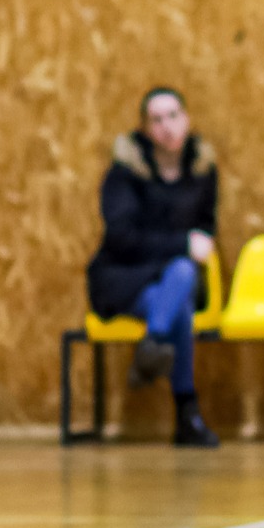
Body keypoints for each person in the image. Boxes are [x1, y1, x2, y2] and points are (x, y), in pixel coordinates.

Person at [86, 87, 220, 448]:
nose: (167, 126)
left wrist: (193, 247)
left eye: (173, 115)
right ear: (145, 129)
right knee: (180, 301)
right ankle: (187, 414)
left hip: (173, 278)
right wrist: (182, 245)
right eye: (157, 119)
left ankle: (153, 343)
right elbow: (122, 239)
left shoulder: (202, 171)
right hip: (126, 278)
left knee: (182, 277)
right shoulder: (124, 174)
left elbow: (205, 230)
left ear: (186, 119)